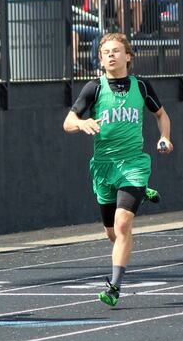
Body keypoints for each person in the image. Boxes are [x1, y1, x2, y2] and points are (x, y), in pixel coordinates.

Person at [62, 33, 172, 307]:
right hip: (103, 168)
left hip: (133, 163)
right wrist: (81, 124)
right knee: (112, 233)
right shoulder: (94, 88)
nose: (110, 55)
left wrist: (165, 137)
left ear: (128, 56)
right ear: (100, 59)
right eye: (105, 52)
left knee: (124, 224)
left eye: (116, 51)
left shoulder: (141, 86)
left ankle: (114, 287)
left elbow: (161, 114)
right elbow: (68, 121)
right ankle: (139, 193)